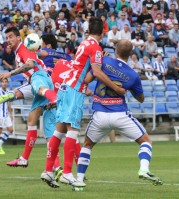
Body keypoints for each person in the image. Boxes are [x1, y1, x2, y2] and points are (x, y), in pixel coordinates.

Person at [42, 17, 126, 188]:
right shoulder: (95, 47)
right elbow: (95, 72)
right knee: (73, 131)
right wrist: (116, 89)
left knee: (59, 131)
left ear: (88, 30)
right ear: (103, 31)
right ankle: (66, 173)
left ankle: (48, 171)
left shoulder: (84, 43)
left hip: (66, 87)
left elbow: (88, 74)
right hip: (74, 91)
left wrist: (99, 62)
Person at [76, 40, 163, 190]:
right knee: (146, 141)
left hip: (100, 115)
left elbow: (87, 79)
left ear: (116, 50)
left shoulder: (103, 60)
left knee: (87, 146)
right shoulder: (133, 75)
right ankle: (144, 169)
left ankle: (79, 181)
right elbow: (141, 99)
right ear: (130, 54)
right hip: (120, 114)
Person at [0, 30, 62, 168]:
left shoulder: (23, 48)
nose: (8, 39)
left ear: (19, 38)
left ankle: (53, 99)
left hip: (39, 78)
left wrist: (10, 73)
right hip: (35, 81)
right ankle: (52, 166)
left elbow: (31, 65)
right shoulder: (23, 51)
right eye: (6, 37)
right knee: (34, 122)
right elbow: (42, 55)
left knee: (38, 89)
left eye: (11, 36)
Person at [0, 78, 13, 155]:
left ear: (7, 83)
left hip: (6, 114)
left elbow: (9, 103)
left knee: (11, 129)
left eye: (5, 82)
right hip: (0, 114)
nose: (4, 83)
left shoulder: (8, 91)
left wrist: (10, 114)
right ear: (0, 83)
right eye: (3, 82)